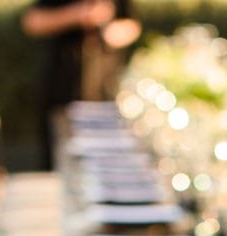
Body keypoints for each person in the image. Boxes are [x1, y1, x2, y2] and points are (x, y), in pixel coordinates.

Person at [22, 0, 141, 169]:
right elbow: (33, 21)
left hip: (104, 91)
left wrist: (113, 33)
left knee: (106, 164)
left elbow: (132, 24)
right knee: (59, 163)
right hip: (61, 91)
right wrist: (76, 15)